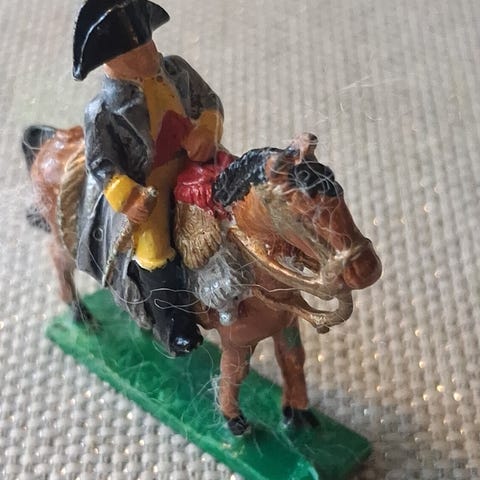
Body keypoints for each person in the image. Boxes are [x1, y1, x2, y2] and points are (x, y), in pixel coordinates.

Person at [73, 0, 224, 355]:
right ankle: (174, 325)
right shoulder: (102, 111)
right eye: (137, 54)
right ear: (112, 62)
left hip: (196, 163)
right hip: (150, 184)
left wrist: (207, 130)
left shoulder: (177, 70)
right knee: (155, 249)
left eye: (149, 45)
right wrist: (128, 197)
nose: (150, 55)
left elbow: (209, 102)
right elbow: (101, 163)